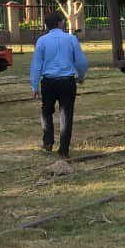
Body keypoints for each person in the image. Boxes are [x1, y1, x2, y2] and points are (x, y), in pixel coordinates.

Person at [30, 13, 88, 158]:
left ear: (46, 25)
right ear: (60, 23)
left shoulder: (42, 41)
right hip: (67, 81)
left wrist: (34, 85)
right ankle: (63, 149)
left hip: (48, 82)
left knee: (46, 111)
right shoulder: (71, 39)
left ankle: (48, 141)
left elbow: (37, 64)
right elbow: (81, 61)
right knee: (66, 114)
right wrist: (80, 76)